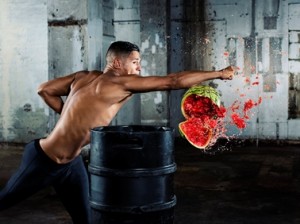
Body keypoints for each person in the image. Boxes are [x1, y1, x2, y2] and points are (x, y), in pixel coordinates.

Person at [0, 41, 235, 223]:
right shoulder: (120, 84)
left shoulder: (83, 77)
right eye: (135, 62)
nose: (139, 67)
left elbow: (44, 90)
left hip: (71, 165)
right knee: (4, 201)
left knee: (87, 220)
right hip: (45, 160)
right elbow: (172, 81)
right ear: (117, 64)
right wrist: (219, 74)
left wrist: (68, 115)